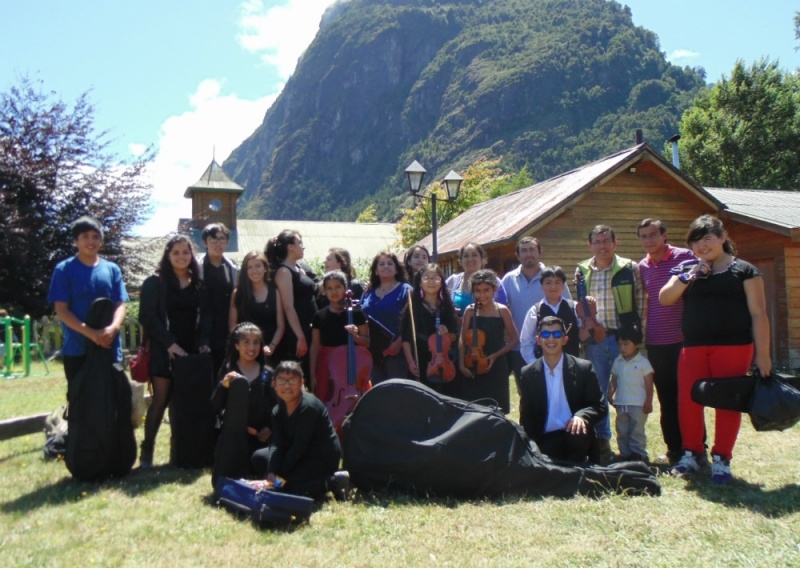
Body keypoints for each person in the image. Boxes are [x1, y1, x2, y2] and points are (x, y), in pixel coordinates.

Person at [660, 214, 771, 484]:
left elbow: (759, 314)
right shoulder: (689, 270)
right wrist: (691, 274)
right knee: (688, 401)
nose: (701, 246)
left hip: (734, 347)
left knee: (727, 404)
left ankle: (722, 459)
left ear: (722, 238)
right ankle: (692, 454)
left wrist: (763, 355)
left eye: (707, 239)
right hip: (694, 347)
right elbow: (665, 298)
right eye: (696, 242)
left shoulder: (744, 270)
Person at [138, 234, 211, 468]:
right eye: (176, 253)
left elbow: (205, 317)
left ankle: (178, 451)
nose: (181, 257)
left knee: (183, 405)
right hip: (163, 350)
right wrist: (170, 344)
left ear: (192, 256)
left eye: (186, 252)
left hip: (190, 351)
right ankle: (147, 450)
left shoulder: (199, 284)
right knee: (160, 401)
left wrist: (203, 341)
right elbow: (147, 317)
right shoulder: (154, 282)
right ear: (168, 256)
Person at [575, 225, 644, 463]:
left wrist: (637, 336)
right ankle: (603, 442)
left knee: (628, 393)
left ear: (615, 243)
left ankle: (632, 446)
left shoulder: (628, 267)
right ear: (590, 245)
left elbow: (640, 302)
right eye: (597, 241)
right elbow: (581, 306)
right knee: (599, 391)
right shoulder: (581, 270)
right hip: (594, 340)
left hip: (622, 338)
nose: (602, 245)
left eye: (606, 241)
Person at [47, 216, 129, 399]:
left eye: (95, 236)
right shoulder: (64, 269)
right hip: (78, 349)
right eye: (85, 236)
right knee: (82, 404)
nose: (91, 241)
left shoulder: (112, 269)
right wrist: (91, 333)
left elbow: (120, 304)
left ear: (101, 240)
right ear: (76, 240)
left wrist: (113, 328)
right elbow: (61, 309)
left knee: (114, 402)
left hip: (110, 347)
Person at [636, 218, 695, 464]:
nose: (649, 240)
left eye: (653, 235)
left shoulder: (685, 257)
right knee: (666, 398)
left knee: (689, 397)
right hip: (656, 342)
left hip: (684, 340)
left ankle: (696, 448)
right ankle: (674, 450)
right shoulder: (643, 266)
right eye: (644, 237)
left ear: (664, 235)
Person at [518, 316, 608, 462]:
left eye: (557, 334)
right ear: (538, 339)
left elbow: (599, 406)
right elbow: (527, 418)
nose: (551, 339)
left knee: (577, 433)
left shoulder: (583, 368)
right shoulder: (527, 374)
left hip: (575, 436)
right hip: (545, 439)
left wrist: (581, 416)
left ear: (565, 339)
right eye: (545, 334)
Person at [251, 361, 343, 498]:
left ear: (301, 383)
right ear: (274, 384)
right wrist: (271, 473)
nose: (287, 385)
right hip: (296, 454)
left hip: (319, 456)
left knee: (288, 486)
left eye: (292, 380)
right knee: (259, 458)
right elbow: (277, 444)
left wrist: (278, 476)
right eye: (281, 381)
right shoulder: (277, 410)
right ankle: (284, 482)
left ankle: (334, 481)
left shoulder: (309, 407)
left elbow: (299, 447)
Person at [211, 322, 277, 480]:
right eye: (246, 342)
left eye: (256, 343)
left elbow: (276, 407)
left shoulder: (267, 373)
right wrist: (224, 384)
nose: (251, 348)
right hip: (234, 437)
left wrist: (269, 428)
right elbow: (215, 405)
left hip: (260, 438)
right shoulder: (229, 369)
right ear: (237, 345)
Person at [502, 237, 571, 383]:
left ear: (540, 252)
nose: (528, 254)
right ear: (518, 255)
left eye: (532, 249)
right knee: (527, 394)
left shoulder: (553, 278)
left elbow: (567, 307)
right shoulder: (508, 280)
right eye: (524, 250)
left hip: (554, 346)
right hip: (519, 349)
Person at [458, 269, 519, 414]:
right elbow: (462, 339)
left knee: (497, 410)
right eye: (478, 291)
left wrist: (496, 355)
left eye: (486, 290)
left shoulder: (502, 310)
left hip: (496, 365)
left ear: (494, 289)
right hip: (472, 364)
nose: (482, 294)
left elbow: (515, 339)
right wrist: (461, 365)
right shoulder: (469, 310)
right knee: (474, 409)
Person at [309, 270, 370, 406]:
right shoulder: (320, 316)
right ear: (324, 291)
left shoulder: (357, 313)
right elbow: (314, 346)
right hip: (327, 366)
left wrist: (356, 336)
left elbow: (366, 343)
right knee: (328, 402)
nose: (334, 291)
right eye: (329, 288)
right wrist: (312, 374)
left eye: (338, 287)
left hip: (352, 365)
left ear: (345, 288)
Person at [266, 230, 318, 378]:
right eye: (300, 243)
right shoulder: (284, 272)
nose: (303, 246)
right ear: (290, 247)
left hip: (309, 328)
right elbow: (288, 306)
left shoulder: (300, 268)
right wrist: (300, 336)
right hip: (297, 331)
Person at [401, 264, 458, 393]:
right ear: (420, 283)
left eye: (435, 278)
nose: (431, 281)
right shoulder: (412, 306)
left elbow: (455, 336)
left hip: (444, 361)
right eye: (426, 278)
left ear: (441, 282)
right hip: (420, 358)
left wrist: (447, 333)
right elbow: (406, 338)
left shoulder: (447, 306)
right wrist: (410, 361)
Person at [360, 251, 413, 383]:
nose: (386, 266)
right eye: (381, 264)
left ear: (396, 269)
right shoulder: (368, 291)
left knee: (395, 392)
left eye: (390, 263)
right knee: (375, 392)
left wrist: (398, 343)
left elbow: (412, 322)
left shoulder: (405, 289)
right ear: (376, 270)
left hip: (396, 350)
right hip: (371, 351)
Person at [229, 251, 285, 367]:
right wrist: (242, 347)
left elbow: (281, 325)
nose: (254, 271)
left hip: (270, 350)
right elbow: (232, 325)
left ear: (265, 268)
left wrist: (272, 346)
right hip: (245, 351)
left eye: (258, 266)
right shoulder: (238, 293)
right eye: (250, 267)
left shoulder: (275, 291)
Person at [608, 325, 654, 462]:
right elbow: (614, 379)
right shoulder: (618, 361)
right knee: (622, 430)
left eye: (626, 344)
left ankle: (639, 454)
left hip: (638, 404)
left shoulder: (643, 363)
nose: (622, 348)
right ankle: (625, 454)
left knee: (636, 431)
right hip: (622, 403)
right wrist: (610, 394)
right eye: (619, 344)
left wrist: (648, 401)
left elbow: (649, 384)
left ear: (637, 344)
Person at [198, 223, 239, 376]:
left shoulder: (233, 268)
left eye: (222, 239)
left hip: (225, 326)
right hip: (202, 327)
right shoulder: (197, 267)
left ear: (228, 243)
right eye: (213, 239)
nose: (218, 243)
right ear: (205, 242)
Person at [519, 266, 580, 365]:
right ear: (541, 286)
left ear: (563, 286)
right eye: (548, 283)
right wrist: (534, 363)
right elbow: (526, 342)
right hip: (544, 365)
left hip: (571, 365)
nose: (553, 287)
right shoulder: (535, 311)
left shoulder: (575, 307)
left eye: (557, 282)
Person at [445, 242, 507, 321]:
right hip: (458, 332)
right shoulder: (452, 281)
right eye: (466, 256)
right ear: (460, 261)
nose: (470, 259)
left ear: (482, 259)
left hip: (488, 331)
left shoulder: (495, 281)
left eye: (474, 255)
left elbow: (503, 310)